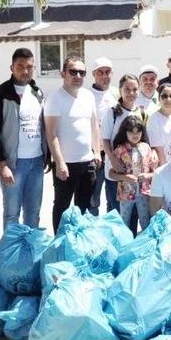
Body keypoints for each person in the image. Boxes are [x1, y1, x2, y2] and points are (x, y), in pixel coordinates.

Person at [0, 47, 48, 228]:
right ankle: (11, 255)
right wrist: (2, 164)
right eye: (20, 66)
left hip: (36, 163)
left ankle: (30, 254)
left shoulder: (37, 92)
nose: (25, 70)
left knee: (33, 213)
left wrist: (47, 157)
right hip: (13, 164)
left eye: (29, 66)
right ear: (11, 67)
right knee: (12, 214)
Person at [44, 57, 101, 232]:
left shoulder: (88, 96)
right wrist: (59, 162)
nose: (77, 76)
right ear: (63, 74)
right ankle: (60, 243)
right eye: (72, 71)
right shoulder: (55, 98)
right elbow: (51, 134)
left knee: (83, 207)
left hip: (87, 162)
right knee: (62, 206)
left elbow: (94, 126)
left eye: (81, 72)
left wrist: (97, 152)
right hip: (65, 165)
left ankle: (78, 243)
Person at [101, 74, 143, 216]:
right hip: (116, 172)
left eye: (135, 89)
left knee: (132, 215)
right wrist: (113, 159)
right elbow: (105, 140)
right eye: (127, 89)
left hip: (133, 174)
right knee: (117, 214)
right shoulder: (111, 112)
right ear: (120, 90)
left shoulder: (140, 111)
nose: (131, 93)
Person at [109, 115, 158, 234]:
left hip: (144, 193)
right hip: (126, 193)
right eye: (131, 132)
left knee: (145, 222)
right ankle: (123, 245)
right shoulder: (120, 150)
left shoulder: (146, 148)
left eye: (138, 131)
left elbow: (155, 172)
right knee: (124, 221)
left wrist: (147, 176)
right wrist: (125, 177)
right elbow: (111, 173)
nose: (135, 135)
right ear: (125, 132)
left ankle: (145, 246)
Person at [88, 57, 118, 216]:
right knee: (93, 199)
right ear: (94, 74)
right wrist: (95, 152)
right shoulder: (86, 95)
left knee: (113, 199)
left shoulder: (116, 94)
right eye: (100, 72)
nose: (104, 76)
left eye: (107, 72)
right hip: (95, 155)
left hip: (114, 155)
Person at [147, 82, 171, 166]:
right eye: (164, 96)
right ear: (159, 98)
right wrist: (164, 172)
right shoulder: (154, 119)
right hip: (165, 167)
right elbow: (158, 150)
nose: (168, 99)